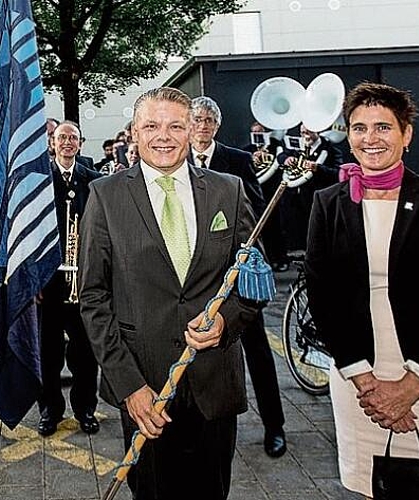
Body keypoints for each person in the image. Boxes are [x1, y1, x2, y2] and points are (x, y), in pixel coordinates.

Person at [305, 82, 419, 499]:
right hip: (358, 378)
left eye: (383, 127)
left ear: (406, 134)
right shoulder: (329, 203)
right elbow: (322, 296)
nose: (371, 138)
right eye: (359, 127)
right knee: (375, 488)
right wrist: (368, 385)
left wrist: (410, 386)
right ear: (347, 135)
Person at [79, 87, 259, 499]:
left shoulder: (227, 190)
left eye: (176, 125)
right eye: (152, 126)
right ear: (134, 134)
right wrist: (129, 387)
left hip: (213, 383)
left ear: (191, 129)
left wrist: (226, 320)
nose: (164, 135)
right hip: (144, 387)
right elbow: (93, 297)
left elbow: (253, 279)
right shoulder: (105, 195)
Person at [189, 96, 287, 458]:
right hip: (194, 278)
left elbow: (256, 213)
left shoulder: (238, 160)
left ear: (216, 125)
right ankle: (201, 425)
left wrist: (246, 253)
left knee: (258, 351)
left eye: (207, 120)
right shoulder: (175, 160)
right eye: (196, 120)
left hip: (235, 274)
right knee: (197, 353)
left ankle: (275, 426)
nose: (201, 126)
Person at [37, 120, 103, 437]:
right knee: (47, 352)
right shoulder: (38, 181)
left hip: (83, 281)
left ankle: (85, 409)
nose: (66, 143)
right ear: (52, 142)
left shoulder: (93, 180)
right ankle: (50, 410)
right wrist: (33, 279)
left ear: (80, 143)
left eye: (72, 138)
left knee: (85, 353)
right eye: (61, 137)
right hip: (48, 283)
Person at [277, 123, 344, 251]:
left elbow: (338, 174)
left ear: (317, 131)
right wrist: (286, 159)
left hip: (316, 198)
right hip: (295, 198)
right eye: (303, 133)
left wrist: (318, 168)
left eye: (308, 132)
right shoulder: (296, 145)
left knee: (317, 231)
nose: (305, 136)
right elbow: (281, 156)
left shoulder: (330, 149)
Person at [241, 121, 289, 272]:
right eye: (255, 132)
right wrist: (252, 158)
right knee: (262, 228)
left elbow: (282, 160)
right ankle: (267, 259)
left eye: (260, 132)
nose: (258, 135)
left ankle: (281, 259)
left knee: (277, 227)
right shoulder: (248, 150)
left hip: (273, 193)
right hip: (256, 195)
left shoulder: (275, 146)